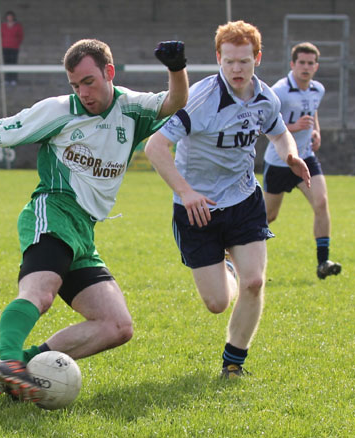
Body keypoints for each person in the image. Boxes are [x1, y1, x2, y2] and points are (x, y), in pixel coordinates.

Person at [0, 39, 188, 402]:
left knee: (117, 326)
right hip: (52, 212)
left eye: (89, 81)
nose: (82, 92)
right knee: (40, 294)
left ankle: (22, 366)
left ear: (109, 72)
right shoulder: (57, 111)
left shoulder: (131, 109)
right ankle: (9, 360)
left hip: (84, 231)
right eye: (75, 85)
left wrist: (177, 67)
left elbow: (174, 101)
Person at [145, 21, 310, 379]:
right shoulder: (200, 99)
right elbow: (155, 147)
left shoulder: (267, 97)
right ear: (218, 58)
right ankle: (228, 268)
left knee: (255, 282)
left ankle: (234, 363)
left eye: (245, 62)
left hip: (243, 200)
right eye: (230, 61)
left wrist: (291, 154)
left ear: (258, 59)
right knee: (217, 303)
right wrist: (186, 192)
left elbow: (280, 134)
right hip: (197, 208)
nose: (237, 69)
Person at [263, 42, 341, 280]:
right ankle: (234, 254)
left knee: (321, 203)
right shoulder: (279, 90)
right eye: (301, 63)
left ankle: (323, 262)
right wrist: (293, 127)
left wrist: (315, 131)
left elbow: (313, 112)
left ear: (316, 66)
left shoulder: (317, 89)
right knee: (268, 217)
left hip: (306, 157)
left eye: (310, 63)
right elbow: (264, 123)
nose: (306, 67)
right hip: (280, 161)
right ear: (292, 65)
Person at [1, 11, 24, 85]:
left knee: (13, 62)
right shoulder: (3, 26)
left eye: (11, 16)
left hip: (14, 47)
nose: (9, 18)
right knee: (6, 63)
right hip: (5, 47)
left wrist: (16, 43)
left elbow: (20, 36)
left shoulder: (17, 26)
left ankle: (13, 79)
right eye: (8, 16)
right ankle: (6, 79)